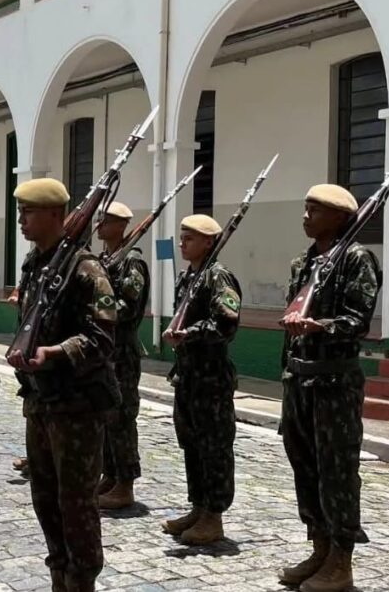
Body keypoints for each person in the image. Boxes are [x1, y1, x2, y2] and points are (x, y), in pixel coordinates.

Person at [5, 178, 118, 592]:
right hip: (41, 401)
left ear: (56, 214)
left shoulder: (86, 269)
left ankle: (81, 581)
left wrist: (54, 353)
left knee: (76, 506)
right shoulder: (35, 265)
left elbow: (103, 338)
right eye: (19, 212)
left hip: (77, 406)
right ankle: (59, 577)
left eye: (29, 212)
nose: (21, 220)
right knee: (46, 501)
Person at [278, 184, 381, 592]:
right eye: (306, 208)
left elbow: (358, 320)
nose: (306, 216)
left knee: (336, 471)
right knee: (304, 467)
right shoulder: (303, 263)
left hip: (334, 383)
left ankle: (341, 559)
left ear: (339, 217)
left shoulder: (356, 259)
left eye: (315, 210)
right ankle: (319, 547)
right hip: (300, 380)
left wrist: (319, 326)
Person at [161, 214, 241, 545]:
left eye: (190, 238)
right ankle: (198, 506)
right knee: (191, 445)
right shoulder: (188, 277)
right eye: (182, 237)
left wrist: (189, 334)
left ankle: (214, 516)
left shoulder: (218, 277)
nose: (182, 243)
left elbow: (226, 324)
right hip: (187, 375)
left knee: (214, 448)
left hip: (210, 378)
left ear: (209, 242)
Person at [95, 202, 149, 509]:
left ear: (121, 226)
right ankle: (110, 474)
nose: (99, 226)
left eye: (106, 221)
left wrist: (97, 313)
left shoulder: (132, 262)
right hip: (104, 349)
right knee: (105, 416)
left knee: (122, 417)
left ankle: (125, 483)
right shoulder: (104, 259)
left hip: (122, 351)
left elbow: (128, 306)